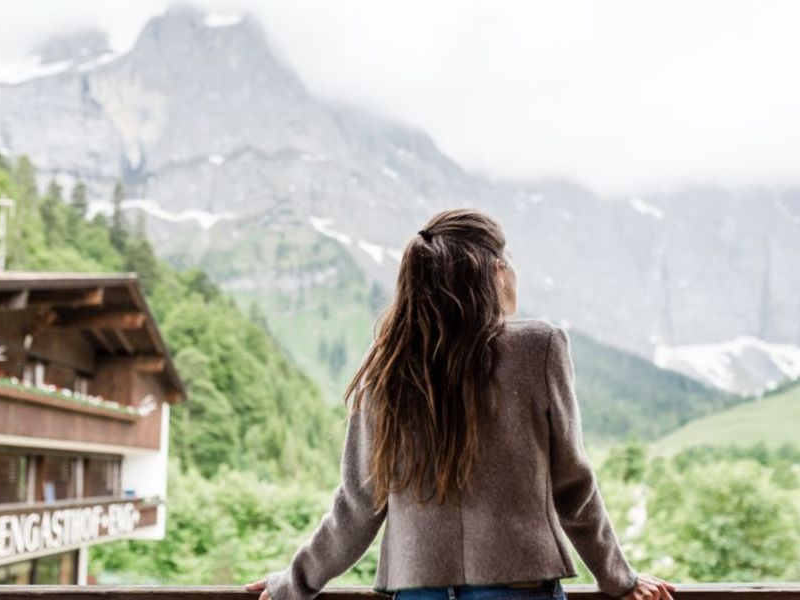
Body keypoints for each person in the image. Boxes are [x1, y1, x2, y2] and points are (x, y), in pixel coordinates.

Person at [246, 208, 675, 600]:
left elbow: (357, 506)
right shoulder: (538, 348)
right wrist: (619, 578)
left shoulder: (388, 364)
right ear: (497, 271)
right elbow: (572, 484)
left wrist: (293, 582)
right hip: (517, 588)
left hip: (419, 592)